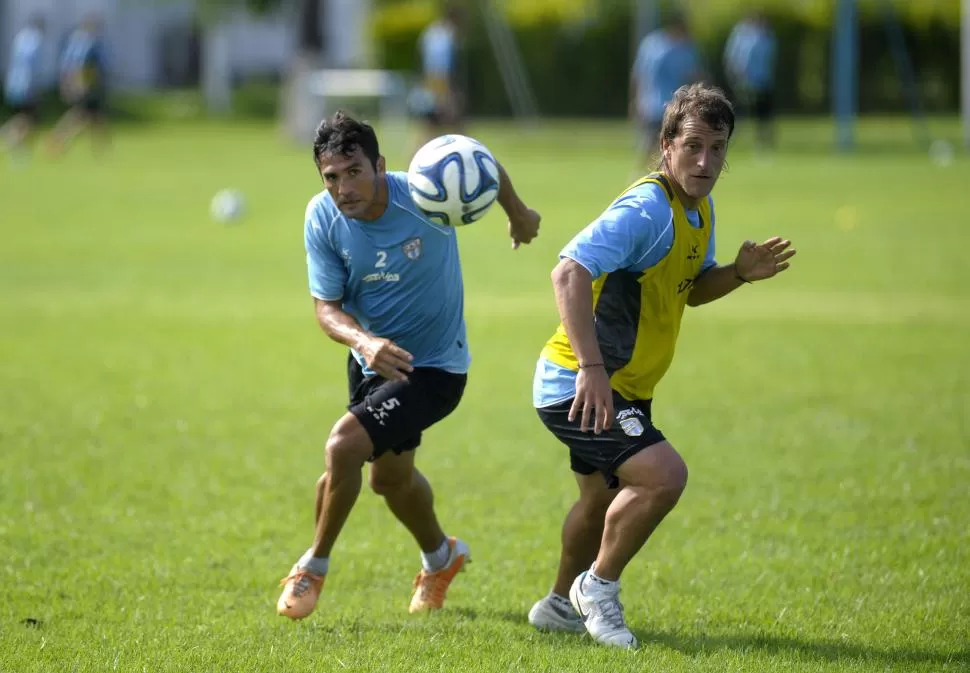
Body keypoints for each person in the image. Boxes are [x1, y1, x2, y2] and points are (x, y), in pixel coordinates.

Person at [527, 83, 795, 648]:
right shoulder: (647, 209)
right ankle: (597, 588)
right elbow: (568, 271)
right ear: (666, 144)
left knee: (599, 501)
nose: (705, 161)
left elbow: (691, 290)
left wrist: (740, 273)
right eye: (693, 146)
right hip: (580, 383)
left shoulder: (697, 210)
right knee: (664, 476)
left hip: (621, 384)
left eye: (717, 148)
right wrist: (591, 370)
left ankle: (557, 605)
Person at [277, 111, 541, 620]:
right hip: (373, 361)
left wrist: (518, 213)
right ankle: (442, 557)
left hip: (436, 368)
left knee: (342, 447)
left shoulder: (425, 195)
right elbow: (326, 309)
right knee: (388, 481)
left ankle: (314, 566)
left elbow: (478, 162)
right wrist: (366, 342)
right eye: (331, 177)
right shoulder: (322, 217)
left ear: (379, 165)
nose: (343, 188)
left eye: (353, 171)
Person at [629, 15, 704, 168]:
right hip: (666, 105)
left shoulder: (650, 43)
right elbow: (694, 75)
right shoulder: (682, 49)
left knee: (655, 144)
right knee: (664, 144)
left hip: (652, 104)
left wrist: (635, 99)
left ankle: (645, 174)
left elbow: (637, 75)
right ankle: (649, 175)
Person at [48, 15, 108, 155]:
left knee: (92, 116)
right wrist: (78, 84)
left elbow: (66, 63)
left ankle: (101, 150)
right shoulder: (86, 41)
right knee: (82, 115)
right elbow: (79, 64)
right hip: (86, 84)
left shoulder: (76, 39)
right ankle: (58, 138)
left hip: (84, 83)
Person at [723, 11, 778, 152]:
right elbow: (734, 57)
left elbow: (770, 58)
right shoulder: (741, 35)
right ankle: (730, 137)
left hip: (763, 81)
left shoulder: (767, 37)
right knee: (738, 110)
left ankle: (764, 142)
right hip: (744, 81)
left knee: (763, 112)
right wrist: (736, 74)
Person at [412, 3, 464, 146]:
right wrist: (445, 97)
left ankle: (412, 164)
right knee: (456, 130)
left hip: (428, 88)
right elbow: (439, 69)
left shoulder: (431, 32)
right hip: (437, 89)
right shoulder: (444, 37)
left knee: (428, 130)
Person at [1, 15, 46, 158]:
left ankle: (18, 148)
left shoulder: (20, 38)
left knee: (22, 117)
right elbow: (30, 66)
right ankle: (14, 143)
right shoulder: (35, 40)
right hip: (26, 84)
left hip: (14, 83)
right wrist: (33, 86)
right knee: (29, 118)